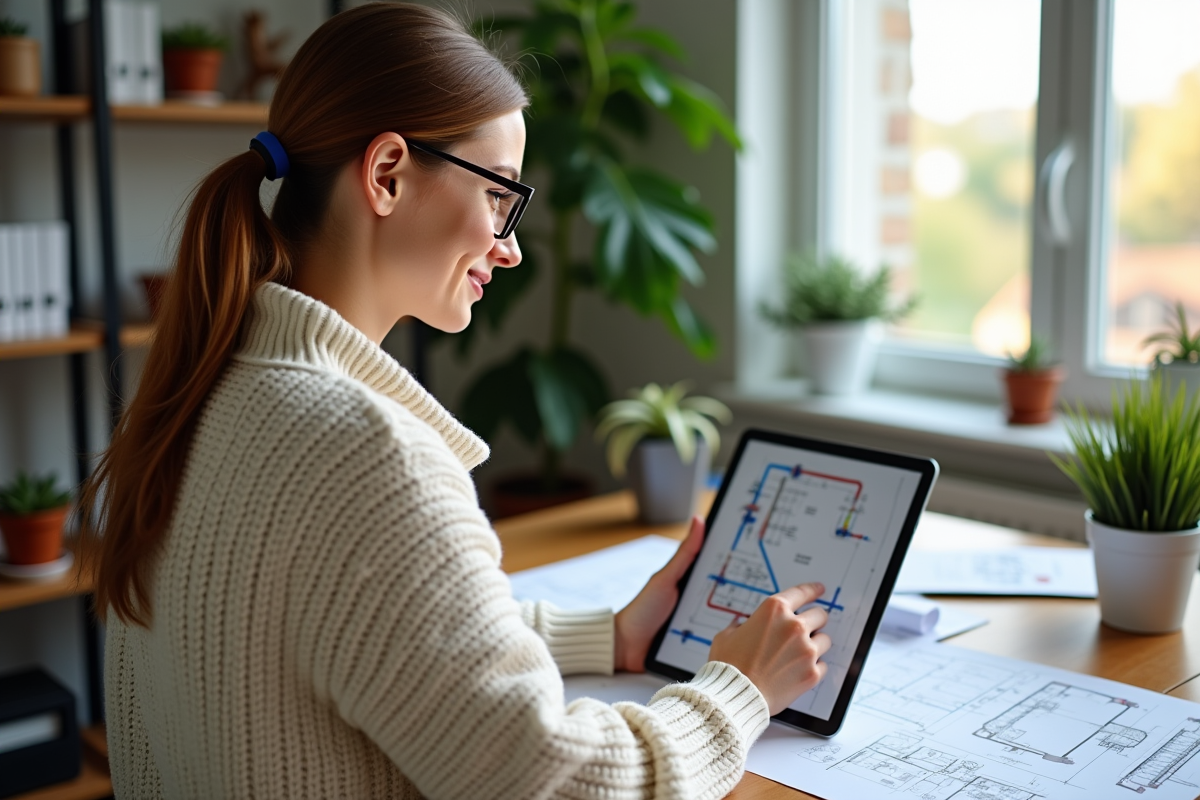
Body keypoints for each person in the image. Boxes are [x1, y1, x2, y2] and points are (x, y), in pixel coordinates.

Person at [79, 4, 832, 798]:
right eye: (500, 196)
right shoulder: (363, 456)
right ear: (387, 174)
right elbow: (557, 783)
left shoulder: (201, 391)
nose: (510, 248)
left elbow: (363, 628)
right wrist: (738, 691)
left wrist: (607, 634)